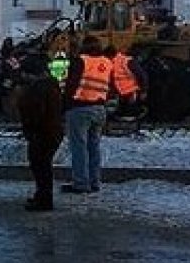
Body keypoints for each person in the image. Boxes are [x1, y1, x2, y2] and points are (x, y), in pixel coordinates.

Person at [61, 36, 112, 194]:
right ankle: (94, 181)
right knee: (94, 147)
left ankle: (81, 183)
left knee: (79, 148)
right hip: (100, 108)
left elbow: (71, 84)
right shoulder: (107, 62)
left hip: (80, 108)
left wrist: (64, 105)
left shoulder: (80, 61)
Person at [17, 55, 65, 212]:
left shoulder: (39, 88)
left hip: (42, 132)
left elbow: (35, 112)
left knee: (41, 167)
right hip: (50, 131)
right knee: (43, 166)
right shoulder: (51, 85)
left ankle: (44, 200)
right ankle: (42, 197)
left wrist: (30, 128)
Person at [107, 45, 146, 118]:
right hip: (121, 93)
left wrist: (143, 90)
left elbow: (142, 75)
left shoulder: (126, 61)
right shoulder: (112, 62)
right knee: (123, 113)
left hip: (131, 92)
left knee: (130, 113)